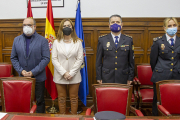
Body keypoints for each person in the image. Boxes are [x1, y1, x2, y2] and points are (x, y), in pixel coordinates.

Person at [11, 18, 50, 113]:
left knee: (40, 101)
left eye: (29, 25)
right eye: (24, 25)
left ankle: (40, 118)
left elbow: (46, 58)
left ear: (34, 27)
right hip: (23, 77)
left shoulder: (43, 40)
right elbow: (13, 58)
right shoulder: (17, 40)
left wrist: (33, 72)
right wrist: (21, 71)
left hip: (38, 77)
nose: (26, 27)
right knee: (24, 100)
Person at [51, 19, 83, 114]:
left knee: (73, 99)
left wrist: (71, 73)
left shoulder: (78, 42)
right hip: (60, 75)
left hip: (74, 75)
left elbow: (80, 59)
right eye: (64, 26)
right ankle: (62, 117)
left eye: (69, 26)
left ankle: (73, 117)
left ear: (72, 28)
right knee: (61, 99)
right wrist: (64, 73)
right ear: (61, 28)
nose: (66, 28)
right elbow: (54, 59)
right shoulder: (56, 42)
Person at [150, 17, 179, 116]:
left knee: (175, 100)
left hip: (177, 76)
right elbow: (153, 61)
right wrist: (160, 71)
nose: (172, 27)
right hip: (160, 76)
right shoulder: (158, 42)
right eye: (169, 26)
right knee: (157, 100)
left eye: (174, 25)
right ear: (164, 28)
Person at [96, 14, 134, 85]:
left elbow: (131, 61)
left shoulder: (128, 40)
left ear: (122, 24)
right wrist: (99, 77)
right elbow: (98, 61)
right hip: (107, 76)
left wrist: (130, 77)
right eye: (113, 22)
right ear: (109, 25)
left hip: (123, 76)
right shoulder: (102, 39)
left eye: (118, 22)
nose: (115, 24)